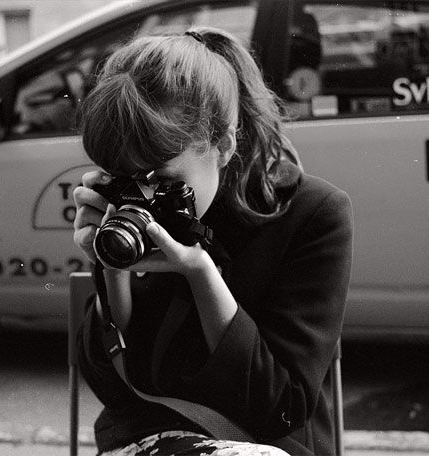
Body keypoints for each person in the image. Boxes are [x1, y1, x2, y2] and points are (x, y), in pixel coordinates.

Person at [72, 27, 353, 456]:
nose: (141, 196)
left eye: (161, 180)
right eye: (121, 177)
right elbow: (114, 390)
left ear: (223, 143)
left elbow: (281, 409)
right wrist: (111, 269)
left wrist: (202, 276)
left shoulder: (312, 214)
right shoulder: (127, 215)